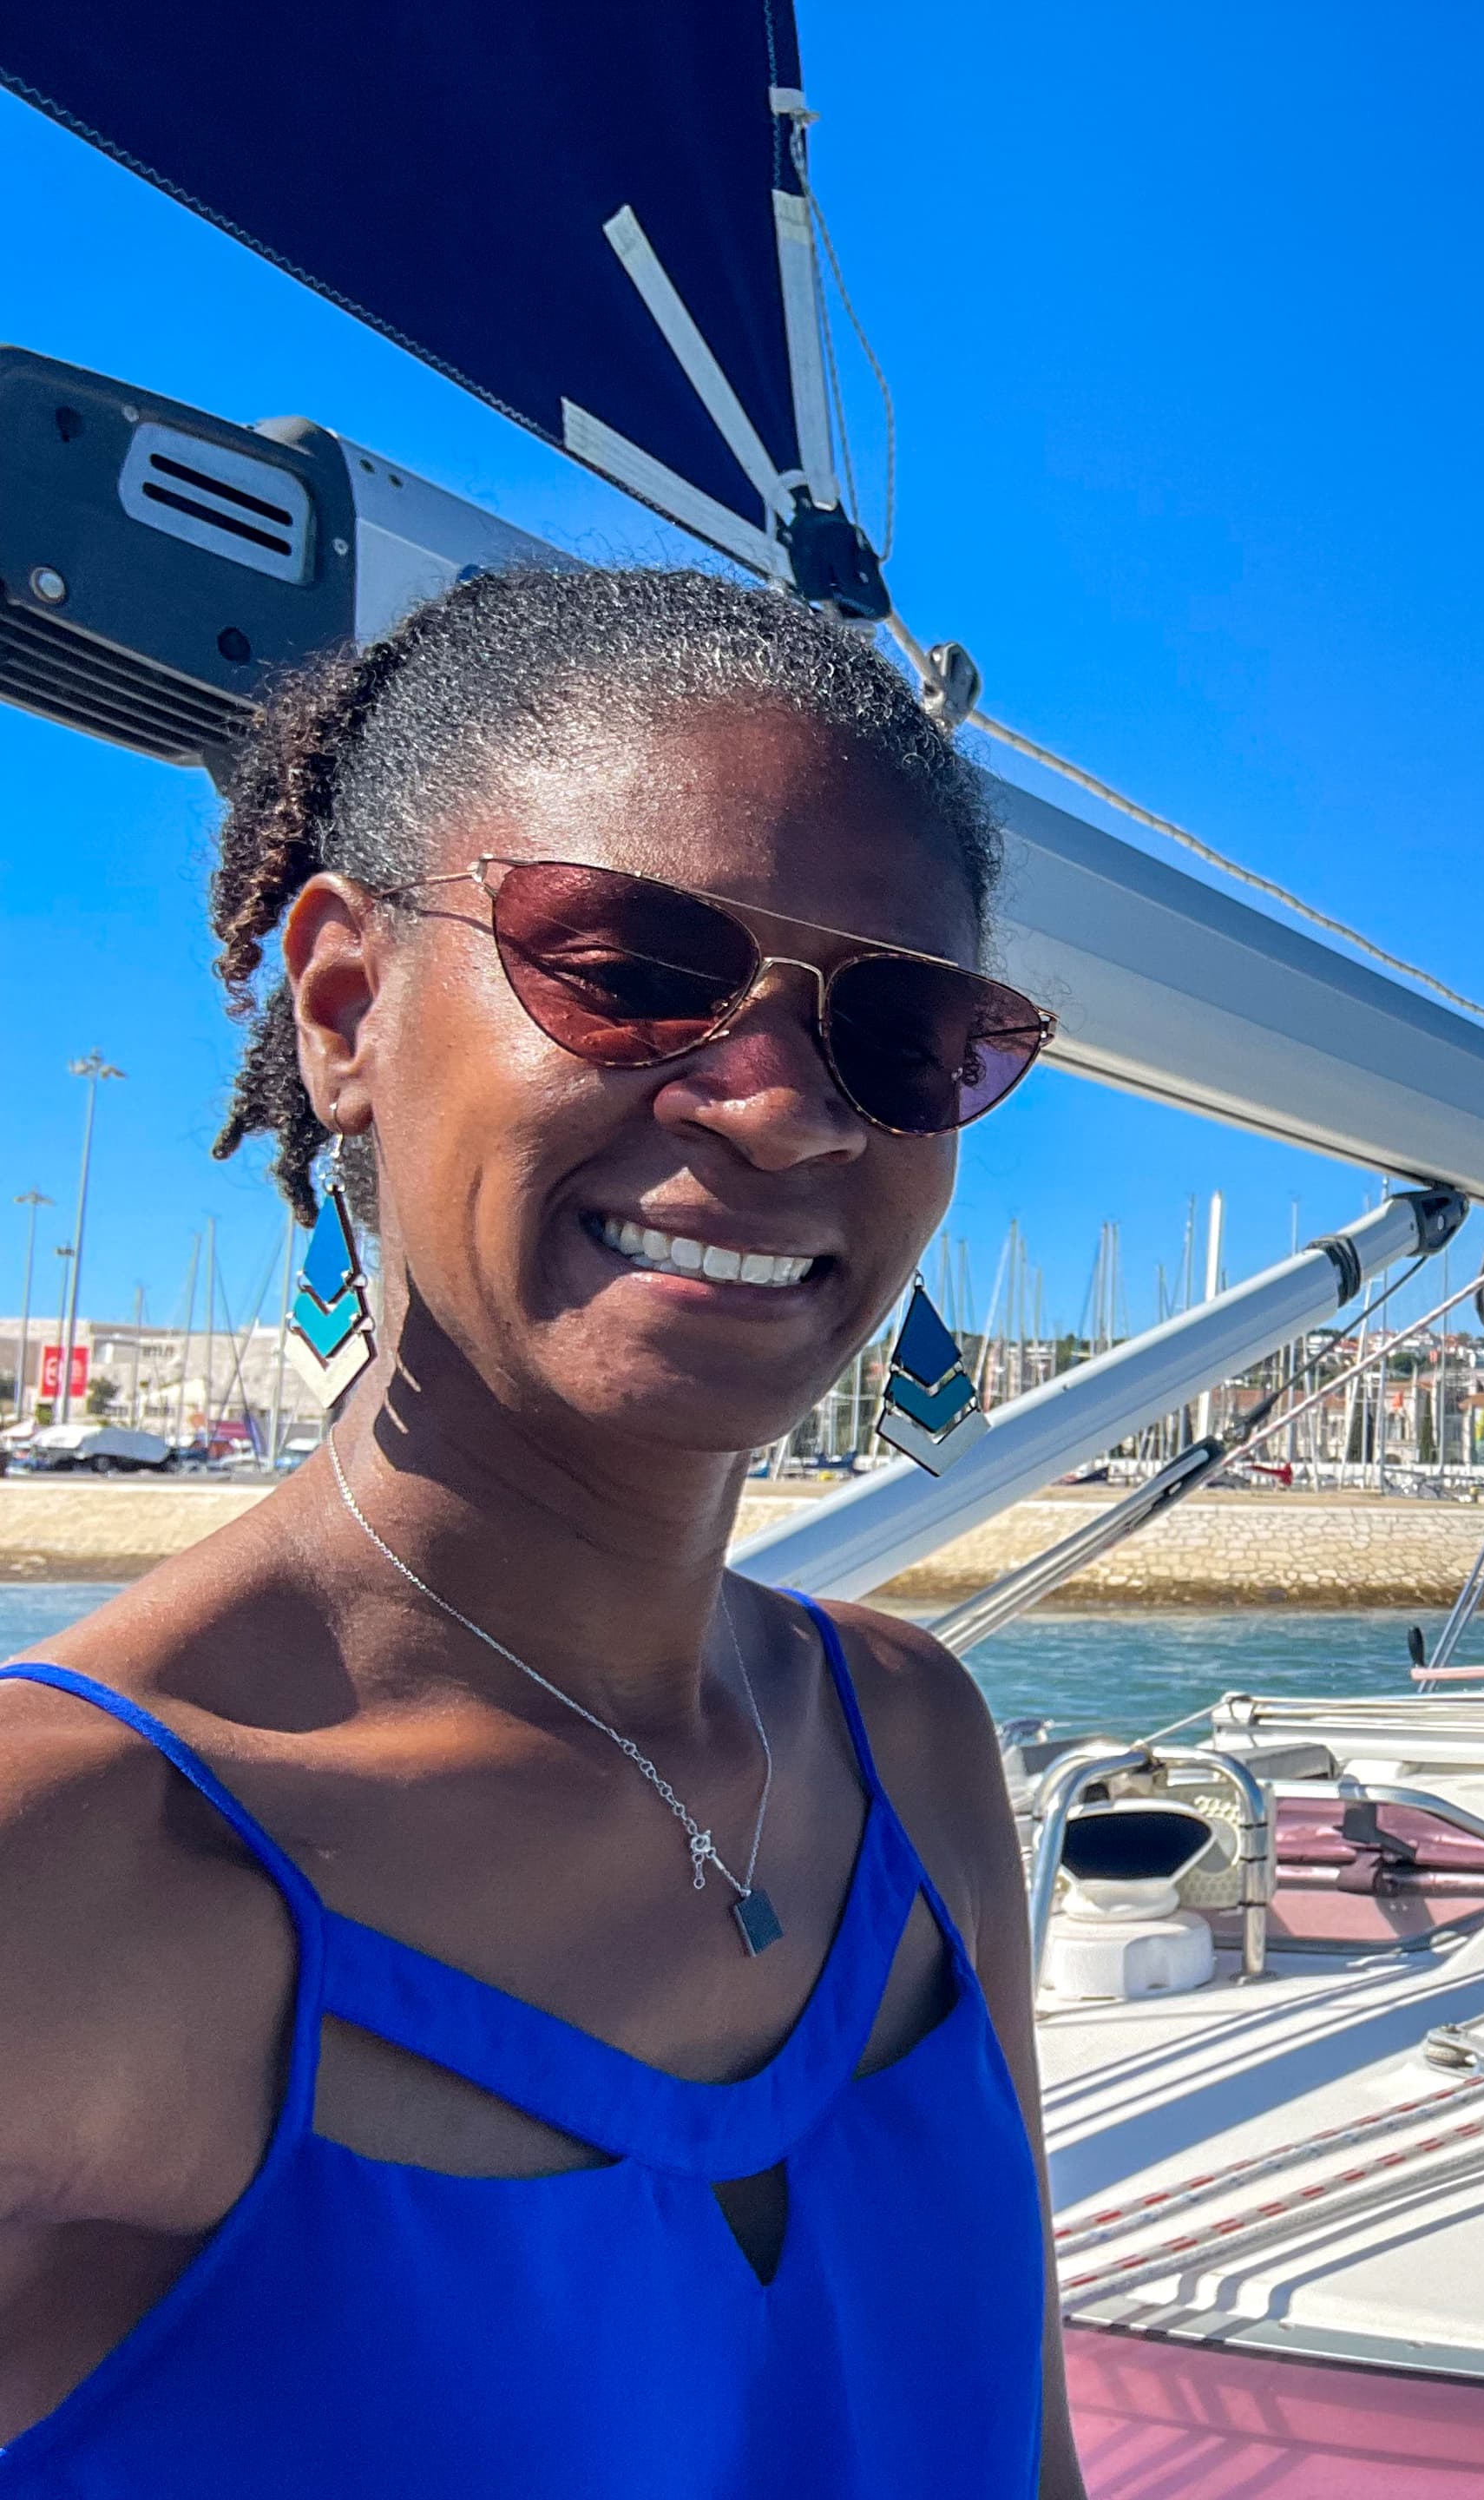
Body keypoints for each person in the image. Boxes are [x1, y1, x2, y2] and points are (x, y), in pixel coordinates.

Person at [0, 570, 1083, 2496]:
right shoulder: (68, 1872)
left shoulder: (909, 1742)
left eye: (898, 1034)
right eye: (631, 962)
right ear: (345, 1007)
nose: (777, 1110)